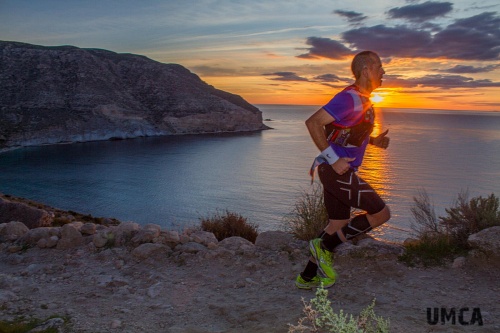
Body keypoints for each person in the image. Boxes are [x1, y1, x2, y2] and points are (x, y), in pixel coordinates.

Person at [295, 50, 391, 290]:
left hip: (334, 171)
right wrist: (334, 159)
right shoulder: (349, 98)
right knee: (381, 214)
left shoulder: (365, 100)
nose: (383, 72)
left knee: (337, 224)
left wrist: (374, 141)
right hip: (335, 171)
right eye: (379, 67)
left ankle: (306, 277)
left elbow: (346, 133)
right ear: (366, 70)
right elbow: (313, 122)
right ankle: (324, 248)